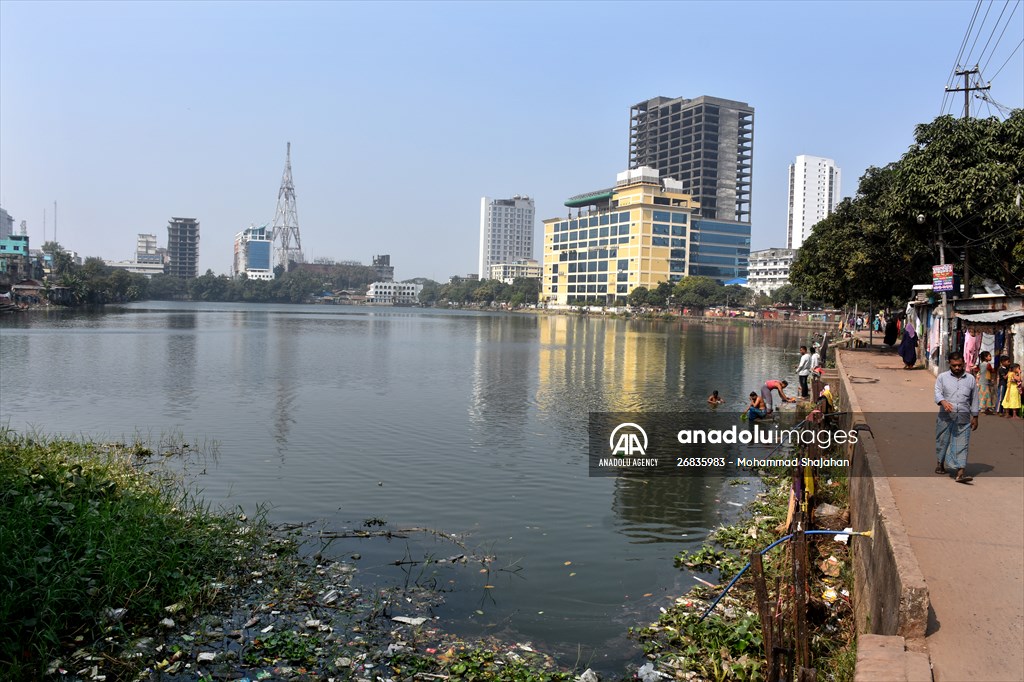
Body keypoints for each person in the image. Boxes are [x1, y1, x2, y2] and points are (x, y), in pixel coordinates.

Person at [934, 351, 980, 484]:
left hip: (964, 416)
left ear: (964, 363)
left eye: (960, 365)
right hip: (945, 416)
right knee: (943, 440)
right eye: (954, 365)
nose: (957, 368)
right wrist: (943, 402)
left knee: (962, 443)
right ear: (950, 364)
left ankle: (960, 472)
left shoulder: (970, 379)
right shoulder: (942, 377)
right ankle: (940, 463)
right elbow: (937, 392)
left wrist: (975, 416)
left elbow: (974, 399)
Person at [974, 351, 997, 415]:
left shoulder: (981, 364)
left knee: (983, 395)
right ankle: (982, 410)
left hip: (982, 382)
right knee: (985, 396)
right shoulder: (987, 364)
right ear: (985, 357)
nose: (991, 357)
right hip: (985, 382)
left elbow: (977, 370)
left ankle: (985, 409)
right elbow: (992, 371)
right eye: (989, 356)